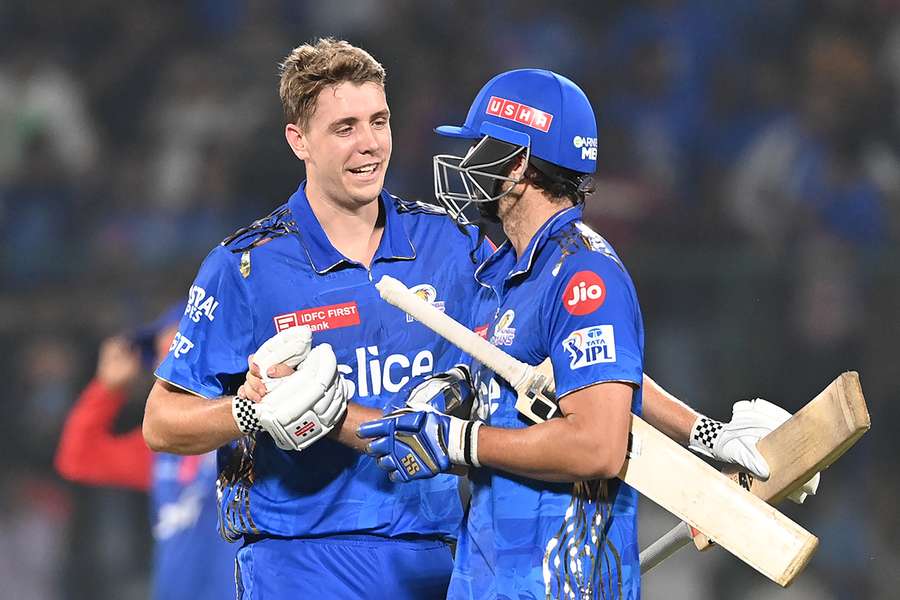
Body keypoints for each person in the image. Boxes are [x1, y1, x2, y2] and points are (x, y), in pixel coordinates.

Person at [357, 69, 818, 599]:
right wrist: (462, 384)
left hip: (559, 582)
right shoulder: (508, 270)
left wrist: (460, 441)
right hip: (491, 576)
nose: (466, 167)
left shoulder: (584, 277)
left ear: (519, 163)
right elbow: (580, 376)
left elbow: (597, 444)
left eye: (479, 148)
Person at [141, 38, 495, 599]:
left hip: (437, 556)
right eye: (345, 127)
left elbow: (526, 353)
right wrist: (250, 413)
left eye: (379, 121)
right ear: (298, 140)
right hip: (300, 565)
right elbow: (161, 422)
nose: (370, 144)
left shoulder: (451, 244)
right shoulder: (244, 267)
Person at [55, 304, 237, 600]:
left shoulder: (252, 423)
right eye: (159, 356)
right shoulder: (159, 447)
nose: (164, 367)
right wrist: (107, 388)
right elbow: (78, 458)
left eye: (176, 349)